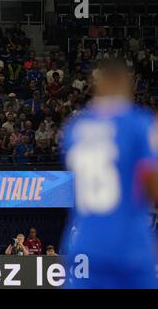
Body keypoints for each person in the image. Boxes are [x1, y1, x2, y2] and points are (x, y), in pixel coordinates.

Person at [62, 59, 158, 288]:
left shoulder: (75, 128)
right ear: (127, 83)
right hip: (129, 244)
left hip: (84, 244)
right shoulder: (139, 123)